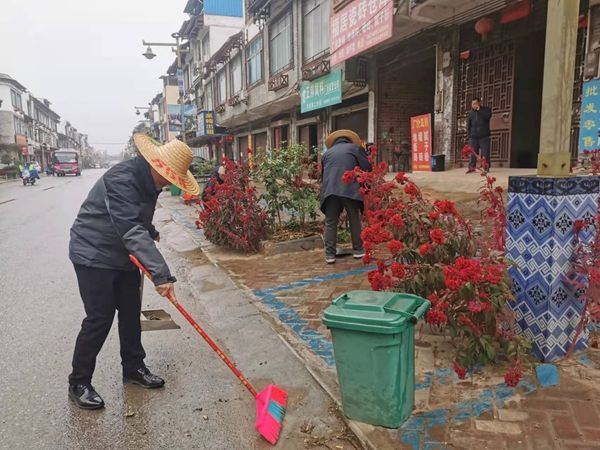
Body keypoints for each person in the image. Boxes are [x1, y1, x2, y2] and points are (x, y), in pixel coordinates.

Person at [67, 134, 200, 410]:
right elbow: (129, 227)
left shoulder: (150, 182)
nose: (168, 183)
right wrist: (161, 275)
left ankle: (133, 368)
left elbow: (136, 221)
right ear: (156, 165)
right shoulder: (121, 179)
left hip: (123, 254)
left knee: (130, 313)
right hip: (93, 252)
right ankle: (79, 382)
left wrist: (151, 231)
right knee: (99, 318)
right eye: (168, 177)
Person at [320, 129, 372, 264]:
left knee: (331, 222)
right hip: (350, 188)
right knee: (354, 218)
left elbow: (323, 175)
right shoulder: (355, 148)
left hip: (330, 190)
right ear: (349, 140)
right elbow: (367, 168)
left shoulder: (327, 154)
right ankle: (358, 251)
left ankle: (329, 255)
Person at [466, 97, 493, 173]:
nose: (473, 105)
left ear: (479, 103)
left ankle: (486, 167)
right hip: (473, 137)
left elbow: (487, 117)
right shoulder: (471, 113)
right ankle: (471, 167)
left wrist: (479, 110)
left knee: (485, 153)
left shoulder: (486, 110)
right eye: (472, 104)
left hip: (484, 136)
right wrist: (469, 135)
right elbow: (468, 125)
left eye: (475, 103)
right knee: (473, 154)